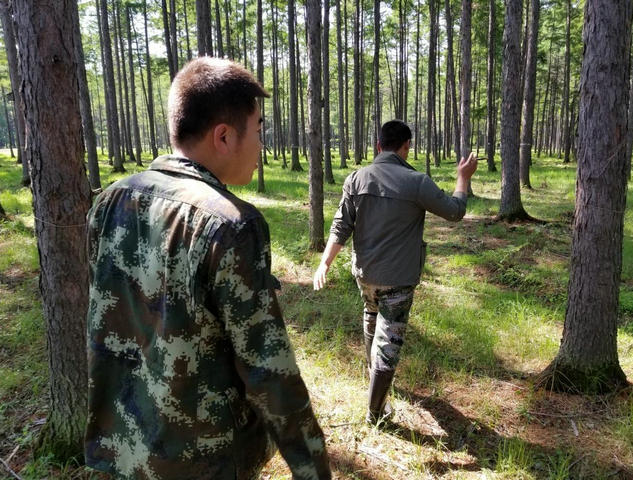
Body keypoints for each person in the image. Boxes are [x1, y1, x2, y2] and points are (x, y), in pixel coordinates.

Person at [85, 57, 331, 480]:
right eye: (258, 131)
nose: (261, 146)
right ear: (224, 136)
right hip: (203, 461)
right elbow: (269, 371)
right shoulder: (232, 226)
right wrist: (314, 470)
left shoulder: (110, 201)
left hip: (123, 449)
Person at [313, 120, 477, 424]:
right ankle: (376, 413)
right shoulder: (416, 182)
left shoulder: (356, 178)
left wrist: (325, 263)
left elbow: (341, 226)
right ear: (406, 147)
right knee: (389, 341)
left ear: (379, 146)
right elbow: (455, 211)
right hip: (398, 279)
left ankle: (374, 378)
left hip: (365, 275)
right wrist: (462, 178)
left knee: (371, 316)